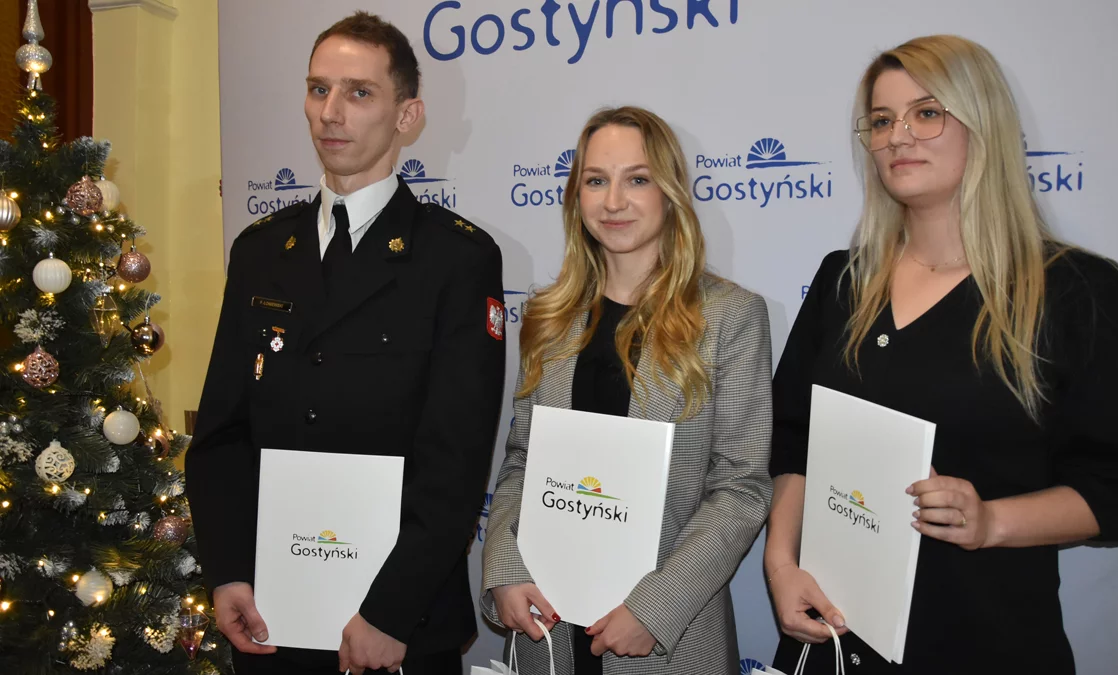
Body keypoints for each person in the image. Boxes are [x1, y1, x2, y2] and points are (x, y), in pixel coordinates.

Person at [764, 34, 1118, 675]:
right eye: (881, 121)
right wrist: (781, 564)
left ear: (982, 122)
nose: (898, 136)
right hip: (832, 638)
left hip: (984, 638)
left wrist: (991, 521)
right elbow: (796, 440)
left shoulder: (1077, 293)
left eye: (926, 113)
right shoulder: (842, 281)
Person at [185, 12, 505, 675]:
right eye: (318, 89)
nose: (330, 112)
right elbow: (221, 434)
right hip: (272, 614)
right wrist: (228, 572)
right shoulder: (260, 251)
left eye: (359, 92)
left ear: (407, 116)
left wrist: (391, 613)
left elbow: (454, 460)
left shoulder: (456, 258)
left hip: (399, 627)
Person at [479, 106, 773, 674]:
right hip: (549, 632)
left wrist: (654, 609)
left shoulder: (730, 316)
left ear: (670, 192)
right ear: (576, 196)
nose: (613, 201)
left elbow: (741, 487)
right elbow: (521, 460)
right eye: (596, 180)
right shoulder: (548, 317)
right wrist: (505, 568)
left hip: (667, 638)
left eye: (637, 179)